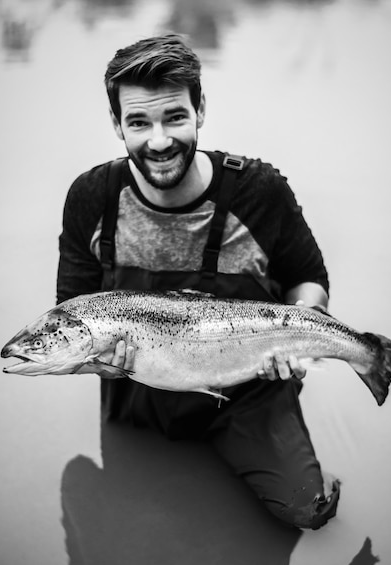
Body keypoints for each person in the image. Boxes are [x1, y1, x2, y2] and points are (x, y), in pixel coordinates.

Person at [57, 33, 340, 530]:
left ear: (201, 110)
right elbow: (72, 312)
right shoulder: (91, 197)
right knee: (130, 534)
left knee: (306, 512)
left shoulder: (259, 192)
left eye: (175, 117)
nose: (160, 140)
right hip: (139, 387)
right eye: (139, 122)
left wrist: (298, 343)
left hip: (253, 390)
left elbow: (308, 281)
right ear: (116, 124)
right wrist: (101, 365)